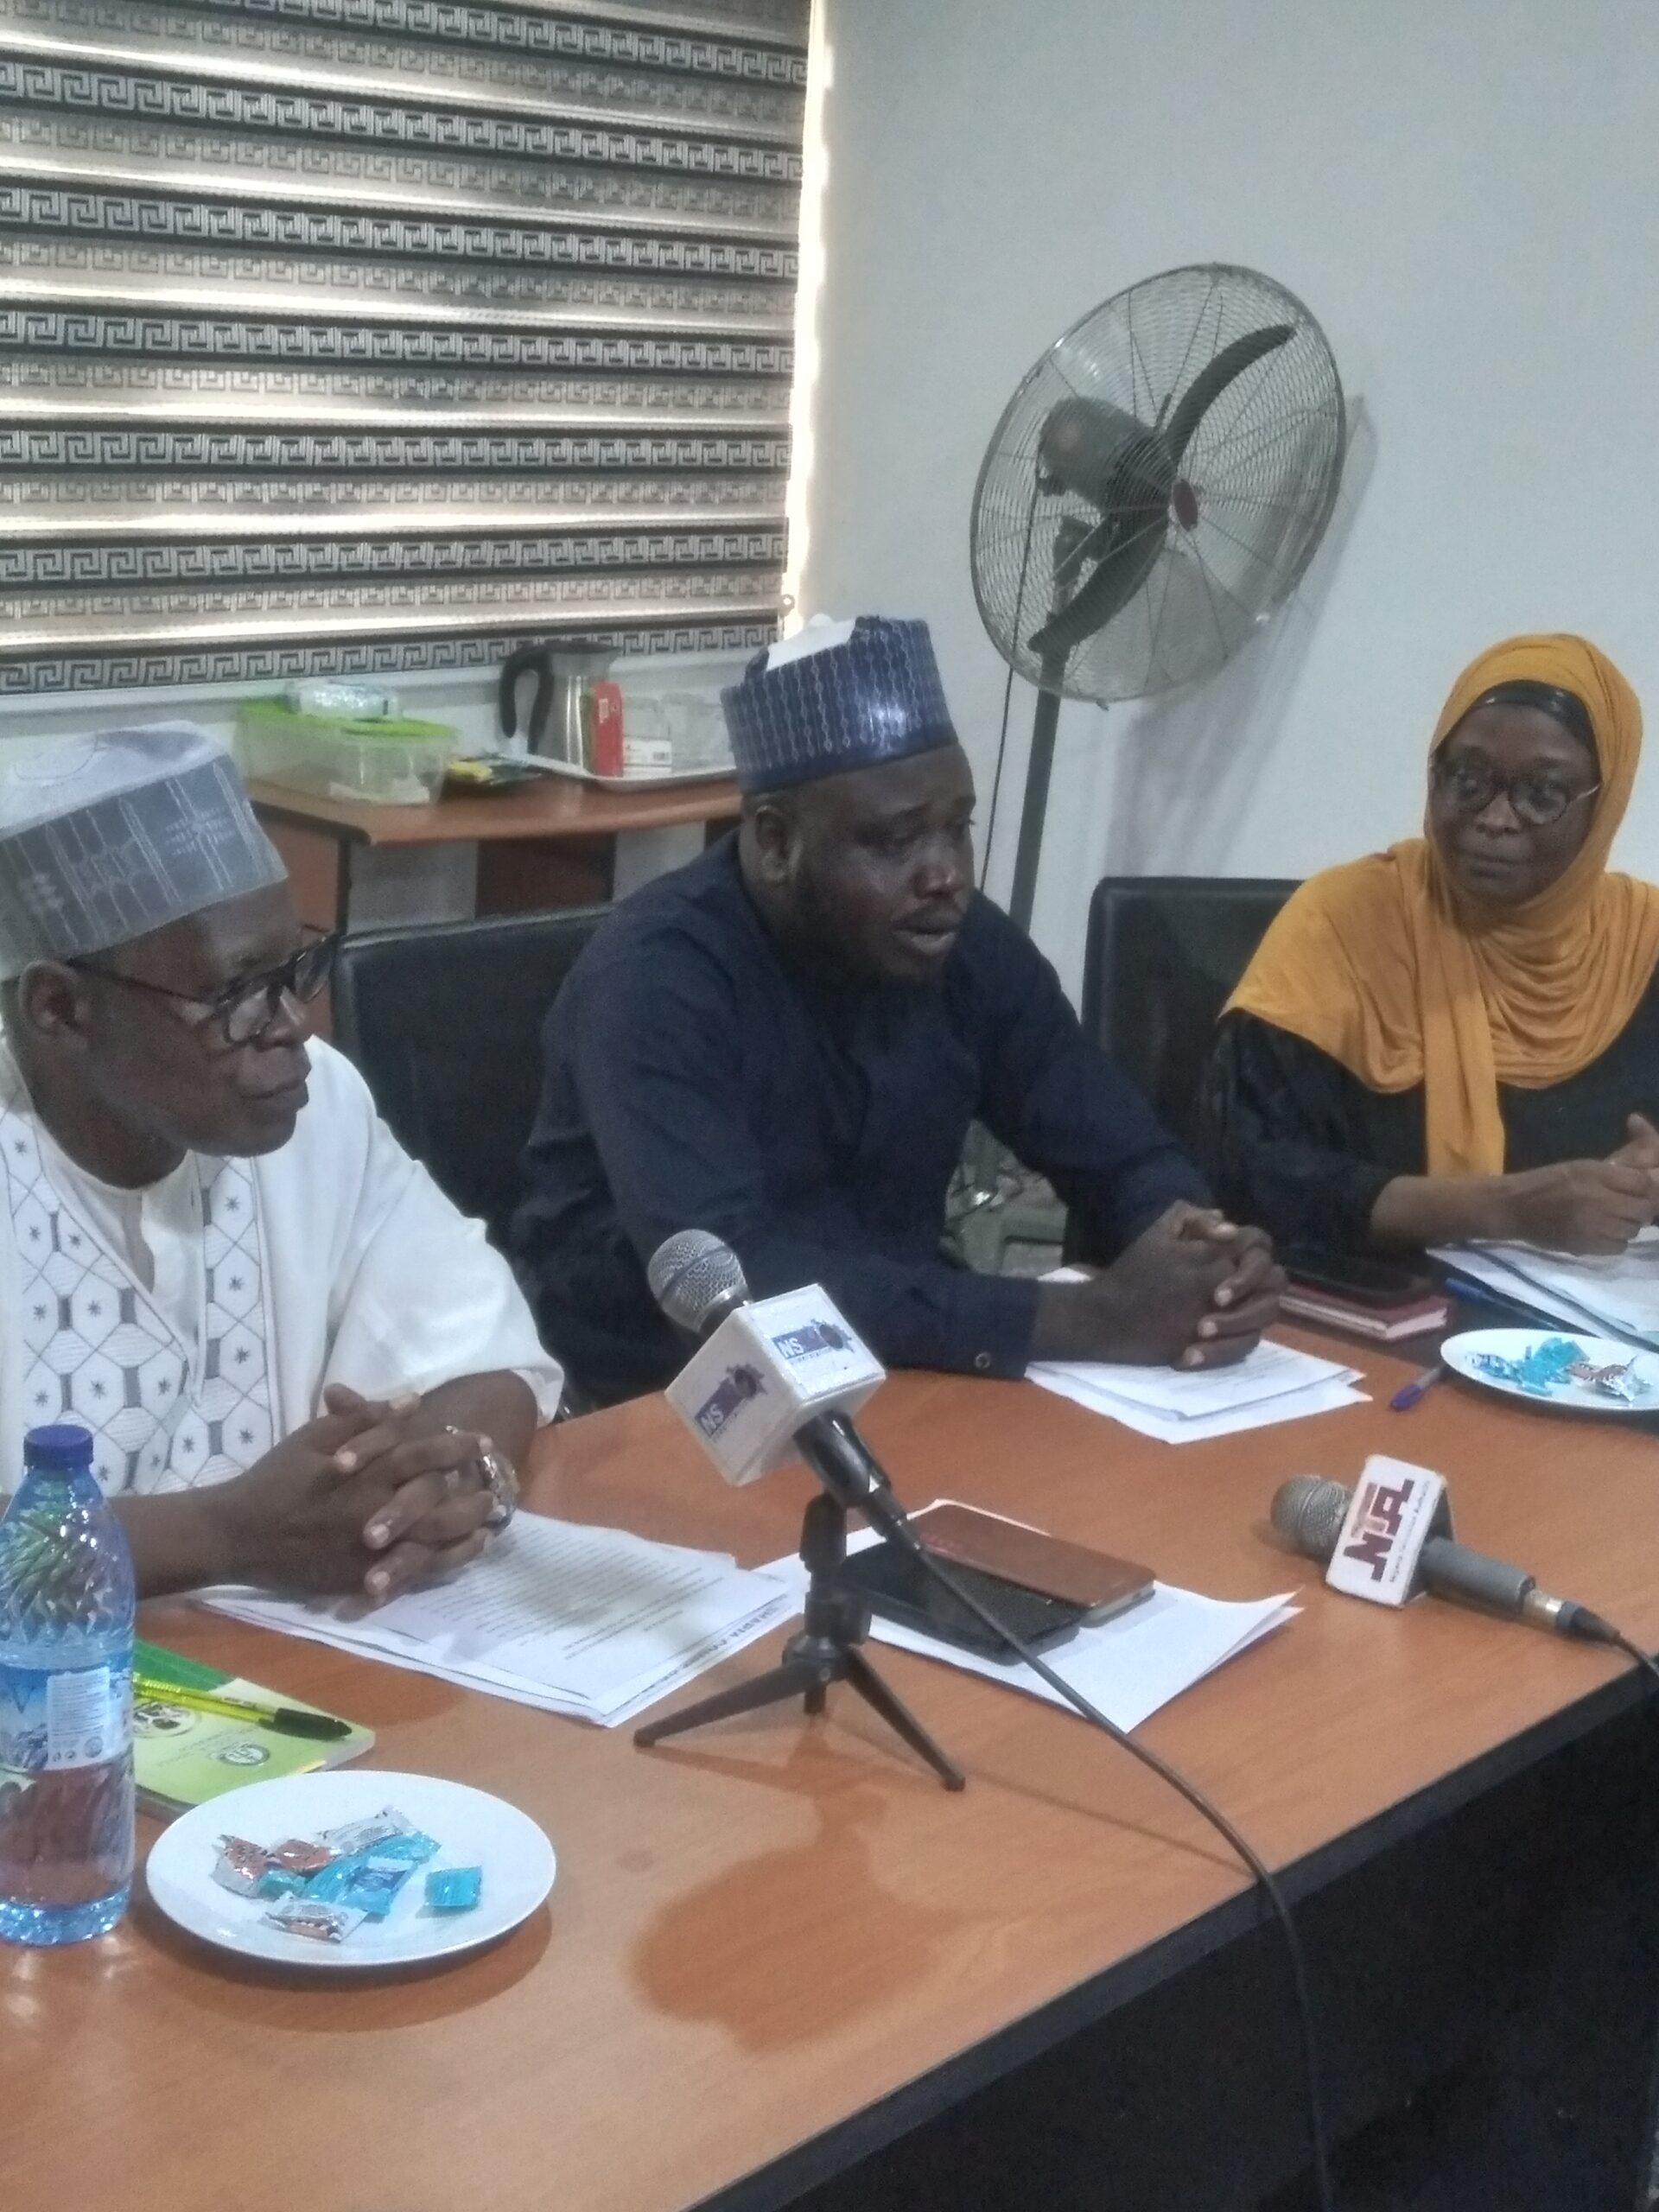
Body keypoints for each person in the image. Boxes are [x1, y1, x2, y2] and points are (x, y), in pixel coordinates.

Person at [512, 614, 1281, 1407]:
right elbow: (742, 1287)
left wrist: (1201, 1252)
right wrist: (1091, 1318)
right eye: (894, 842)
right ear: (776, 844)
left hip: (908, 1362)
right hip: (661, 1395)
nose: (945, 874)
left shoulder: (962, 944)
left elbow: (1117, 1148)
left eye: (958, 828)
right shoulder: (654, 983)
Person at [0, 723, 563, 1602]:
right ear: (59, 1008)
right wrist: (227, 1535)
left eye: (293, 969)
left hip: (285, 1661)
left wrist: (437, 1485)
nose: (293, 1023)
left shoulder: (317, 1102)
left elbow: (485, 1358)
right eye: (233, 992)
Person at [1203, 632, 1659, 1258]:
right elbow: (1248, 1172)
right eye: (1467, 778)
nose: (1495, 817)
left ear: (1603, 807)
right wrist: (1503, 1209)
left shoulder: (1644, 943)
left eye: (1542, 794)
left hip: (1600, 1314)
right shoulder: (1345, 922)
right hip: (1369, 1297)